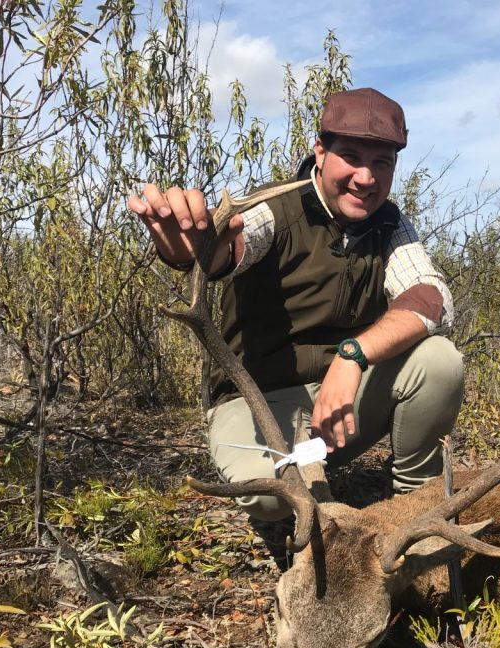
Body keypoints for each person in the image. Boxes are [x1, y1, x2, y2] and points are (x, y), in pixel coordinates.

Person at [127, 87, 464, 536]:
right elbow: (236, 245)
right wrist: (197, 250)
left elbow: (431, 296)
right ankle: (290, 489)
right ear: (320, 152)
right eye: (351, 156)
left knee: (438, 360)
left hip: (339, 407)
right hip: (257, 405)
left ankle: (414, 506)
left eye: (382, 162)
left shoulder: (389, 223)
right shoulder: (276, 205)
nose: (366, 178)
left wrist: (352, 356)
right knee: (272, 497)